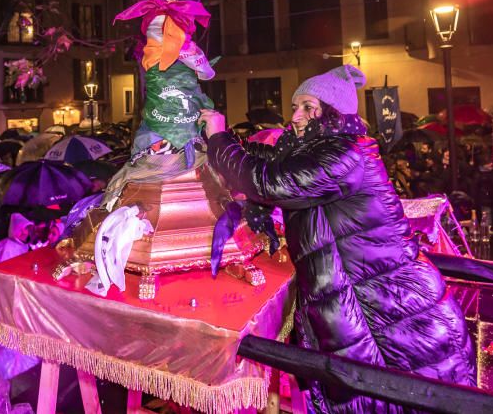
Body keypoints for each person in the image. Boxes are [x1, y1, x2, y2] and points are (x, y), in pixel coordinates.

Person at [199, 64, 475, 413]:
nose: (295, 116)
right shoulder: (320, 149)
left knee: (402, 397)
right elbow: (267, 160)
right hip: (368, 303)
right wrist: (217, 140)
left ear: (332, 114)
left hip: (390, 309)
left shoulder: (345, 155)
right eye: (295, 106)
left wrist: (219, 140)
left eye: (307, 107)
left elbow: (269, 182)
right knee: (376, 396)